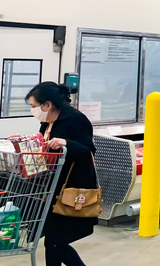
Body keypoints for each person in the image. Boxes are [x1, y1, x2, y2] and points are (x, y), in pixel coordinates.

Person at [19, 82, 97, 266]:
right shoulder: (46, 122)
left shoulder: (75, 119)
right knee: (54, 242)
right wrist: (22, 140)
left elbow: (89, 150)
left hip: (71, 188)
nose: (33, 111)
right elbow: (42, 145)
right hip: (51, 188)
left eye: (33, 106)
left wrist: (66, 143)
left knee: (55, 241)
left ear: (47, 105)